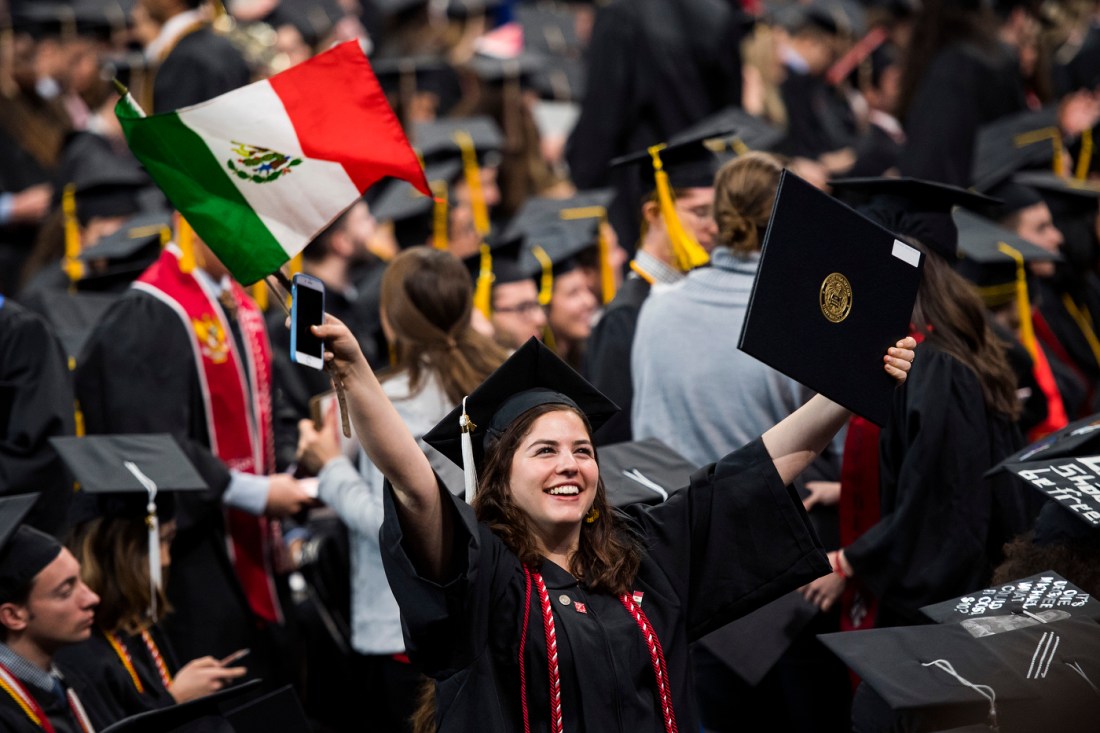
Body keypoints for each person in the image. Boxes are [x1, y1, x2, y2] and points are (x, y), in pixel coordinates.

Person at [308, 309, 914, 731]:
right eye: (544, 451)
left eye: (582, 451)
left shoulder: (641, 551)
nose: (569, 465)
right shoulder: (487, 574)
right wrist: (358, 374)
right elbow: (416, 487)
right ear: (499, 476)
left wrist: (851, 388)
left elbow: (759, 470)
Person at [75, 222, 314, 687]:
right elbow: (150, 443)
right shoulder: (151, 312)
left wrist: (277, 507)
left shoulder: (237, 304)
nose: (258, 244)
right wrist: (254, 494)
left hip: (250, 542)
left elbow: (264, 411)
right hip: (189, 551)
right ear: (195, 223)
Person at [296, 247, 508, 732]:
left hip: (410, 625)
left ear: (390, 321)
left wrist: (330, 468)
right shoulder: (505, 377)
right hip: (501, 606)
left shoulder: (389, 406)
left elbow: (387, 523)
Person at [803, 236, 1033, 628]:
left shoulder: (935, 369)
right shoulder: (944, 350)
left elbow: (940, 502)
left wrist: (849, 561)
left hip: (942, 609)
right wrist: (847, 491)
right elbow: (941, 470)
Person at [586, 132, 723, 444]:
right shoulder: (625, 317)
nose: (713, 226)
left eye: (717, 212)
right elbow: (615, 439)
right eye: (699, 212)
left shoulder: (700, 294)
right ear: (654, 213)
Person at [0, 494, 104, 733]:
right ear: (14, 617)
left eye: (82, 581)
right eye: (66, 591)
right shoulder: (7, 713)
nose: (92, 598)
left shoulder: (64, 681)